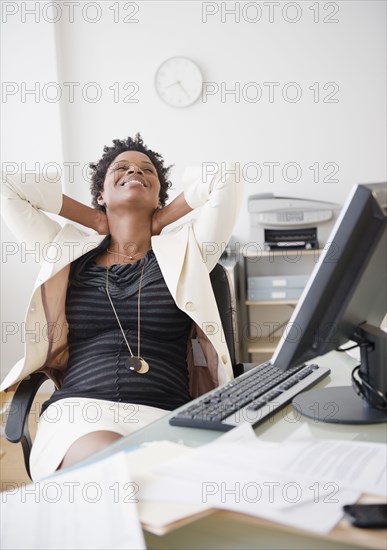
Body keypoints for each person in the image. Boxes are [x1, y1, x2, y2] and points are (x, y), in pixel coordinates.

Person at [0, 134, 244, 480]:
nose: (135, 170)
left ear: (160, 197)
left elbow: (227, 177)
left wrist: (160, 220)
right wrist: (97, 220)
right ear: (101, 194)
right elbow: (8, 185)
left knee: (144, 488)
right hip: (81, 414)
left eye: (148, 171)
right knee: (111, 469)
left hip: (166, 414)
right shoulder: (67, 253)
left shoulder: (188, 252)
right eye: (122, 168)